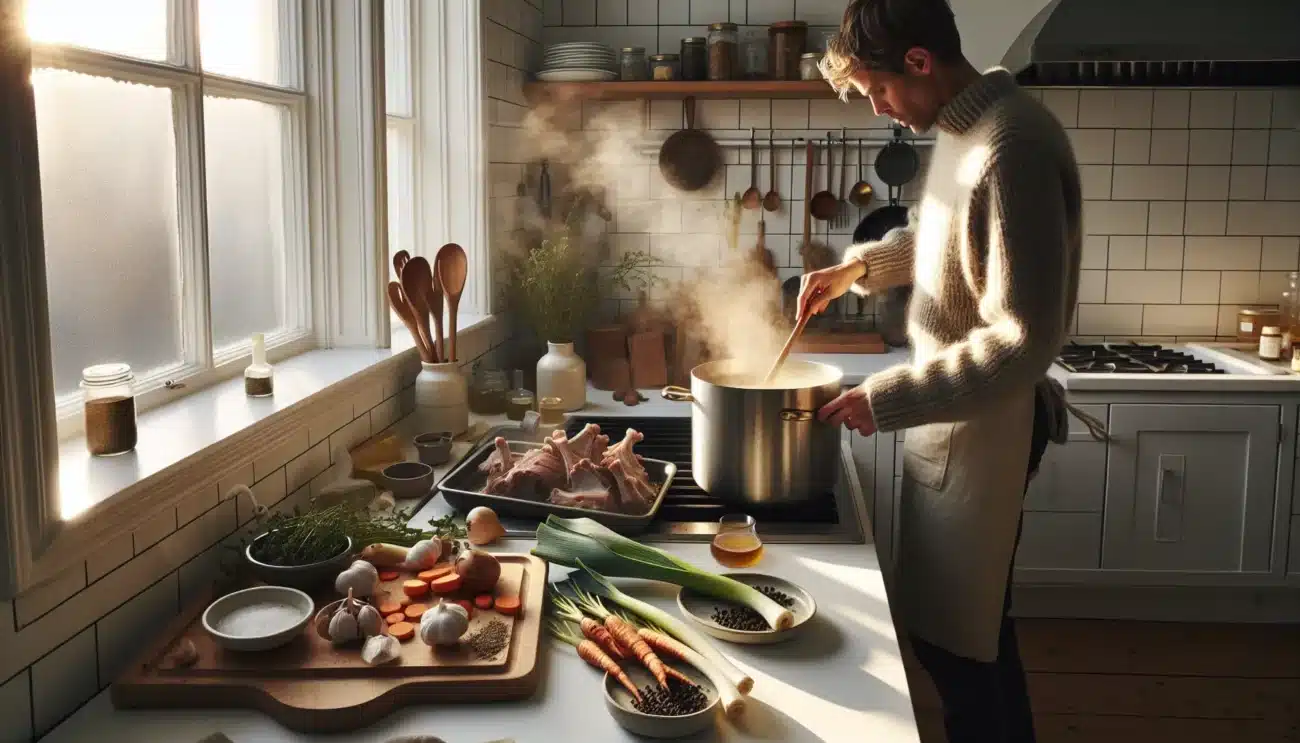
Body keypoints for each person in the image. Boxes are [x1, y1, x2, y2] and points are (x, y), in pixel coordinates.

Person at [796, 1, 1090, 741]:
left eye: (878, 89)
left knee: (961, 648)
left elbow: (1023, 340)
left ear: (920, 62)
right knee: (970, 634)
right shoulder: (970, 130)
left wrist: (886, 396)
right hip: (957, 424)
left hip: (985, 430)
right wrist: (857, 268)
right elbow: (942, 233)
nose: (878, 107)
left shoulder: (1011, 145)